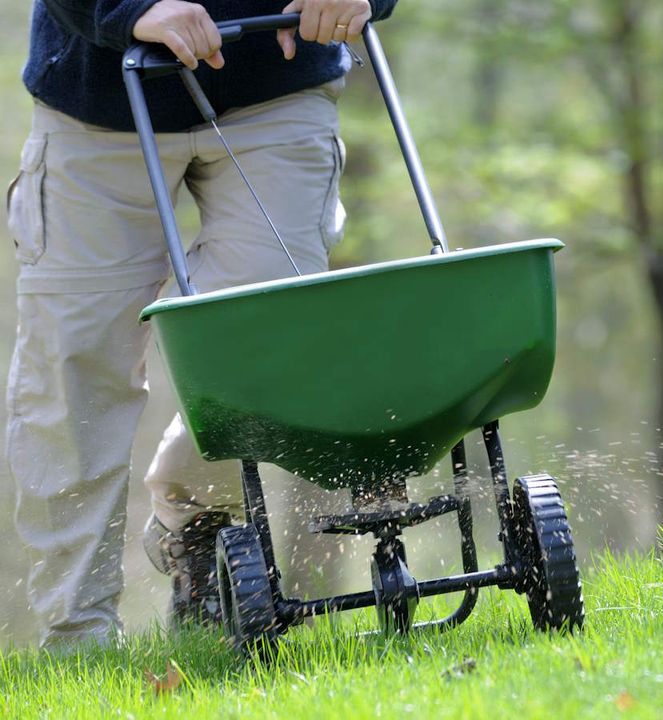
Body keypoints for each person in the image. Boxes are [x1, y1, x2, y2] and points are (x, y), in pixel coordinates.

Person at [7, 0, 396, 650]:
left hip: (277, 83)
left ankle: (196, 525)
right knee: (73, 368)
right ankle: (78, 638)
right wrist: (128, 9)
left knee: (268, 347)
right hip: (96, 93)